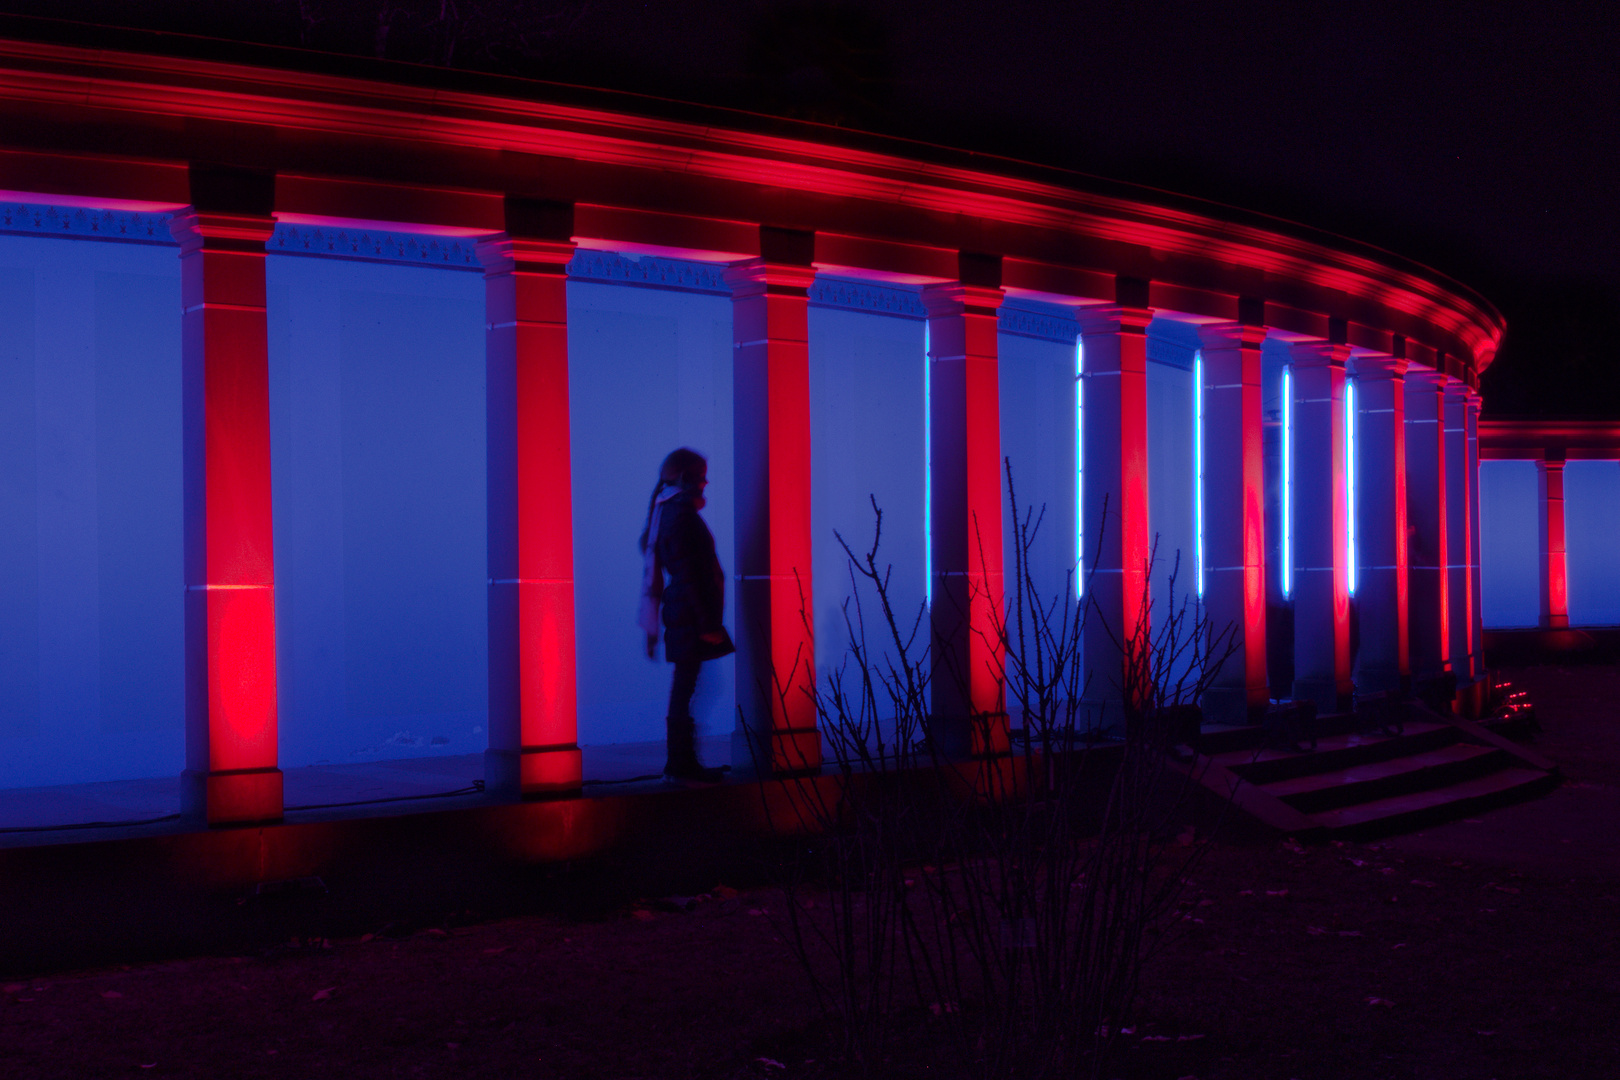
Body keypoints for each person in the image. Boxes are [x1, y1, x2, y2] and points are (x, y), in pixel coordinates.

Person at [638, 448, 733, 784]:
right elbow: (692, 573)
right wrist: (707, 623)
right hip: (690, 616)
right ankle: (681, 764)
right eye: (701, 474)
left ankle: (681, 763)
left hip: (683, 612)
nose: (706, 481)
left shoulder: (667, 513)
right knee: (687, 687)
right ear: (686, 477)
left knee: (687, 686)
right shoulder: (680, 516)